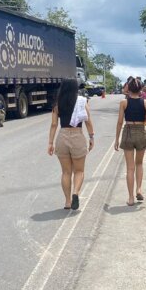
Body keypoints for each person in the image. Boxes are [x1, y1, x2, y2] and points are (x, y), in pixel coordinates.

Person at [48, 78, 95, 210]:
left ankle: (68, 202)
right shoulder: (81, 101)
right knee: (79, 171)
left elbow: (53, 124)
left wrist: (50, 143)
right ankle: (76, 193)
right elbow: (88, 121)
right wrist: (91, 137)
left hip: (62, 137)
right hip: (77, 135)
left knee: (66, 172)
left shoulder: (57, 104)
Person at [114, 77, 146, 206]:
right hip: (141, 132)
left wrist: (116, 139)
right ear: (141, 89)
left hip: (128, 132)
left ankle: (131, 198)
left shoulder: (123, 103)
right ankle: (139, 189)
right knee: (139, 164)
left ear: (129, 89)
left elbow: (120, 122)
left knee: (130, 168)